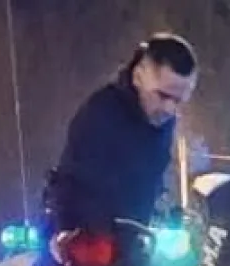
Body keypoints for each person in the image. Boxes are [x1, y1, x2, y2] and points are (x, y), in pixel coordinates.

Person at [42, 33, 198, 236]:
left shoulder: (161, 124)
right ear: (138, 77)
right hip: (89, 244)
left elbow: (152, 182)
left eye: (178, 101)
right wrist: (65, 232)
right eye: (162, 95)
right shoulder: (100, 114)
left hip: (137, 242)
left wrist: (165, 213)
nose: (169, 109)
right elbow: (70, 182)